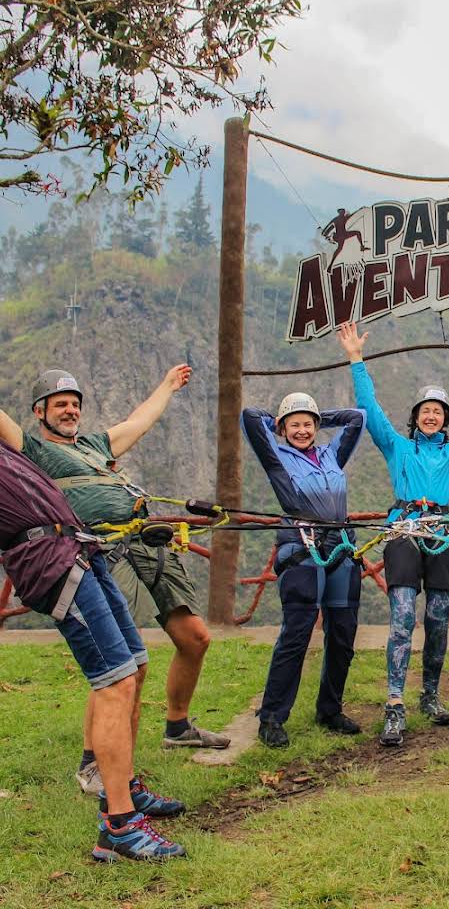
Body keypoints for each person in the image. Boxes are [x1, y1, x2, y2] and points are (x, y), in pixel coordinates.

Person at [0, 367, 228, 797]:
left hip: (144, 539)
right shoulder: (31, 450)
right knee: (121, 663)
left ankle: (176, 727)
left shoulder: (96, 446)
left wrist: (166, 386)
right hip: (100, 550)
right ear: (39, 412)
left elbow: (139, 422)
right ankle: (98, 764)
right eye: (60, 404)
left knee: (194, 637)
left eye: (75, 404)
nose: (70, 410)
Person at [0, 440, 186, 861]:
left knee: (135, 667)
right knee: (114, 682)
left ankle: (126, 788)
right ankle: (118, 826)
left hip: (80, 548)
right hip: (51, 560)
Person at [337, 321, 449, 747]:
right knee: (402, 617)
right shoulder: (397, 446)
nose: (431, 416)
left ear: (446, 419)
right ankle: (395, 705)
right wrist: (356, 360)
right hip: (403, 529)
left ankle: (430, 696)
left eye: (438, 411)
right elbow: (370, 409)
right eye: (425, 410)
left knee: (437, 618)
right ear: (416, 417)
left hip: (444, 533)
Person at [241, 392, 366, 748]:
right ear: (281, 429)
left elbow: (357, 418)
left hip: (340, 543)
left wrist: (313, 413)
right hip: (301, 544)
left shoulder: (332, 454)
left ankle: (330, 709)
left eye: (307, 425)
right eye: (293, 425)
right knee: (297, 633)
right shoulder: (276, 456)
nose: (302, 430)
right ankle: (272, 717)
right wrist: (285, 420)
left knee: (342, 633)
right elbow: (251, 417)